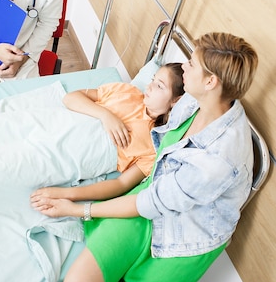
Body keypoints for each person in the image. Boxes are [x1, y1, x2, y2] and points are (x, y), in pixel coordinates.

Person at [31, 32, 259, 282]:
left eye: (191, 64)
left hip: (184, 236)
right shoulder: (192, 103)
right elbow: (150, 192)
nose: (184, 65)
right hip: (151, 199)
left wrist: (76, 209)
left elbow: (148, 201)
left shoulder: (217, 161)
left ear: (210, 81)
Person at [31, 62, 184, 203]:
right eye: (153, 79)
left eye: (159, 86)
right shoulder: (127, 92)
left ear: (176, 101)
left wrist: (66, 194)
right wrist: (106, 115)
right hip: (58, 126)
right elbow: (70, 98)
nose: (149, 86)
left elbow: (121, 184)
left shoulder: (155, 144)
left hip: (71, 155)